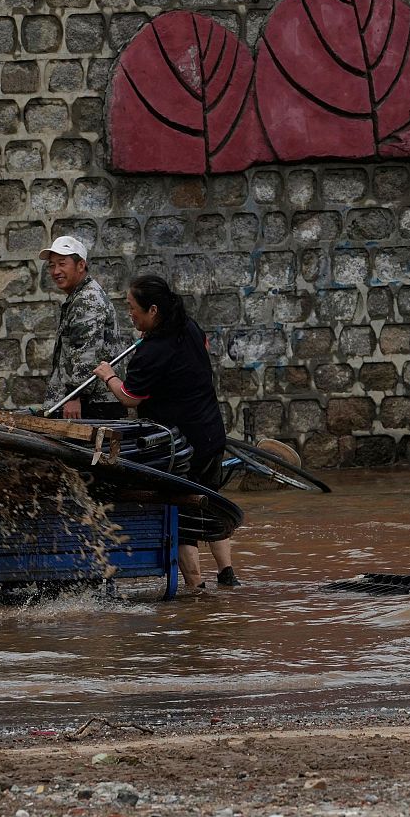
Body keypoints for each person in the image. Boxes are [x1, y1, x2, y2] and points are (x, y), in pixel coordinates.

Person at [93, 275, 241, 591]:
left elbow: (130, 397)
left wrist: (108, 376)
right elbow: (201, 349)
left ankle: (196, 592)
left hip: (181, 445)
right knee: (211, 502)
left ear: (154, 310)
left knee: (182, 516)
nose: (129, 314)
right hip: (212, 432)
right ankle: (227, 575)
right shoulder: (190, 328)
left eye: (133, 308)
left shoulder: (152, 352)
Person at [38, 235, 123, 419]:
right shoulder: (79, 296)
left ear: (81, 265)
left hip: (91, 403)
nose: (55, 271)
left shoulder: (87, 299)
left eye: (62, 263)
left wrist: (75, 395)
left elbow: (87, 351)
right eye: (52, 265)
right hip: (87, 400)